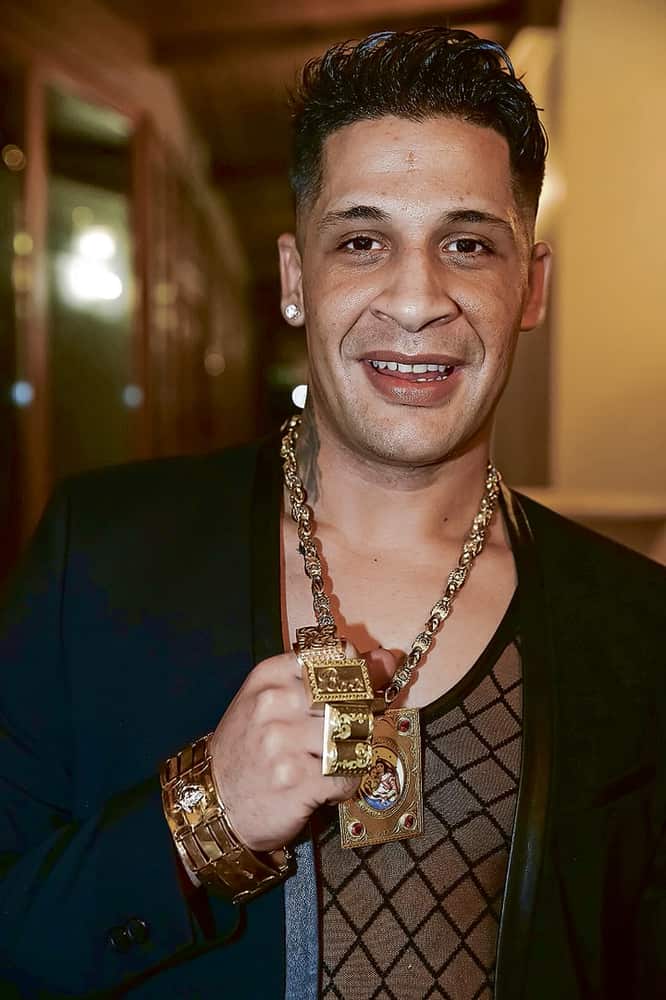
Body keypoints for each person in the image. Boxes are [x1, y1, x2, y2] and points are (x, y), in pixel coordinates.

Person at [0, 27, 664, 1000]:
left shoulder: (637, 627)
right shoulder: (98, 559)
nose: (416, 299)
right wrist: (200, 820)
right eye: (362, 241)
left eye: (468, 244)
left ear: (532, 286)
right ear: (294, 278)